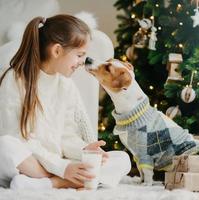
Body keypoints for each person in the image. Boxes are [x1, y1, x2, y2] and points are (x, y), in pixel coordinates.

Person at [0, 14, 131, 190]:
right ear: (56, 51)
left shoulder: (66, 85)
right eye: (79, 55)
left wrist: (84, 150)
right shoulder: (14, 79)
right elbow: (17, 137)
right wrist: (62, 168)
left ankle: (46, 184)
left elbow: (66, 135)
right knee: (6, 146)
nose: (81, 62)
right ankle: (58, 181)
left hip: (56, 164)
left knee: (122, 160)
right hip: (29, 163)